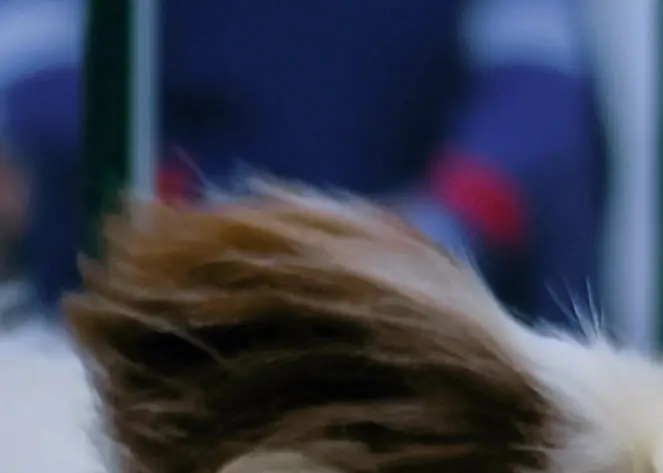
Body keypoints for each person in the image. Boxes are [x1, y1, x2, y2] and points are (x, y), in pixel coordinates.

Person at [0, 0, 607, 331]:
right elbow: (39, 71)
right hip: (155, 318)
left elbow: (543, 92)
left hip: (408, 321)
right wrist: (198, 226)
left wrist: (431, 225)